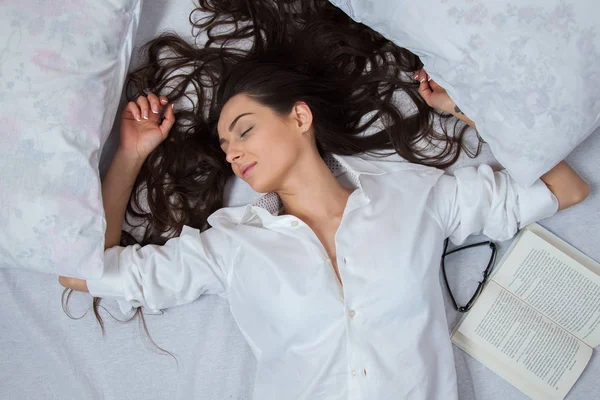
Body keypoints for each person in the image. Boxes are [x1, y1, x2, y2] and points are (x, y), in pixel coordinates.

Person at [59, 52, 590, 398]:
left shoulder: (415, 198)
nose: (233, 152)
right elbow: (84, 273)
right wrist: (131, 154)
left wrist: (464, 109)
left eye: (243, 131)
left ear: (300, 116)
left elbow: (566, 188)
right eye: (224, 146)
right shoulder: (231, 247)